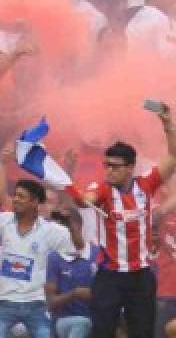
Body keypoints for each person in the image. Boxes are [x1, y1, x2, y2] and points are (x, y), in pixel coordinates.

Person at [84, 102, 176, 338]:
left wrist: (167, 124)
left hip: (141, 276)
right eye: (106, 165)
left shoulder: (146, 185)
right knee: (102, 332)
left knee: (143, 332)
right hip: (109, 275)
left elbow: (174, 157)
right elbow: (88, 198)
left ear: (130, 168)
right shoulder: (103, 188)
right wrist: (86, 200)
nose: (109, 171)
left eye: (115, 167)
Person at [0, 180, 74, 338]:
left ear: (35, 201)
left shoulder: (50, 231)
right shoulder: (4, 221)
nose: (15, 199)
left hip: (36, 303)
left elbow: (75, 248)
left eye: (21, 196)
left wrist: (72, 222)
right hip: (4, 301)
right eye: (15, 195)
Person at [46, 208, 98, 338]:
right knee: (81, 323)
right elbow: (51, 302)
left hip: (98, 318)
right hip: (65, 319)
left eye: (66, 223)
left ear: (79, 225)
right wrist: (73, 295)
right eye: (60, 225)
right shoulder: (55, 258)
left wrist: (96, 295)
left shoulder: (98, 254)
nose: (63, 229)